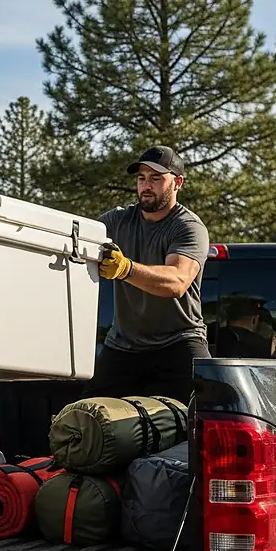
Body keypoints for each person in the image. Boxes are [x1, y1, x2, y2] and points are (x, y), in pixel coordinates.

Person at [83, 145, 211, 405]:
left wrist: (126, 268)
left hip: (178, 342)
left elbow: (176, 281)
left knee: (200, 420)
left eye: (156, 178)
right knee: (85, 421)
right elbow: (75, 238)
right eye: (141, 178)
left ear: (177, 183)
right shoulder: (117, 221)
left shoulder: (188, 227)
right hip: (123, 346)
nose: (146, 186)